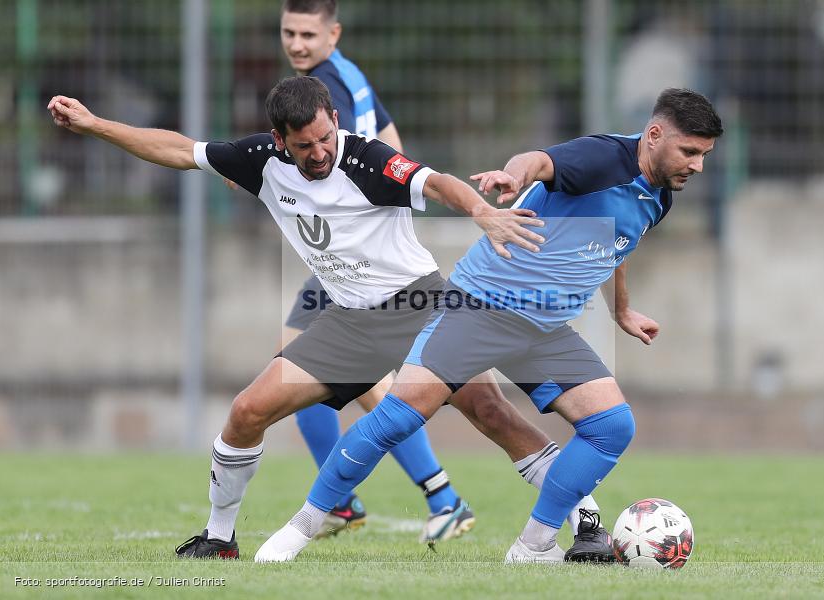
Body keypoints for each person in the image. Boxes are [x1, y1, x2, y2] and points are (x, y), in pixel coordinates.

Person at [47, 76, 609, 561]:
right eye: (304, 146)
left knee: (490, 411)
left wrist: (484, 212)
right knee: (247, 412)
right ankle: (219, 538)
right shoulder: (261, 162)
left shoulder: (367, 160)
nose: (319, 153)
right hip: (351, 323)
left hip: (421, 306)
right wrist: (96, 125)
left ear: (334, 121)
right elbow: (178, 149)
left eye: (324, 138)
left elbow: (435, 183)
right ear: (279, 142)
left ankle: (584, 517)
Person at [253, 88, 723, 564]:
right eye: (689, 152)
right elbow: (538, 161)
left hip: (545, 327)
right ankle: (299, 530)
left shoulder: (661, 194)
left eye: (703, 155)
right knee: (397, 417)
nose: (697, 165)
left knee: (611, 425)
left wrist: (622, 309)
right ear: (655, 134)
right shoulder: (604, 159)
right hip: (482, 307)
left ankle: (533, 547)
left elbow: (616, 244)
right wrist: (511, 175)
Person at [276, 0, 471, 542]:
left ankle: (413, 495)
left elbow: (328, 157)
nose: (297, 44)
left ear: (331, 34)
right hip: (359, 252)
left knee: (305, 371)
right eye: (289, 32)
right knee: (346, 375)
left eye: (307, 34)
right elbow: (390, 137)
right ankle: (428, 495)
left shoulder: (323, 92)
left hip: (356, 257)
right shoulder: (348, 73)